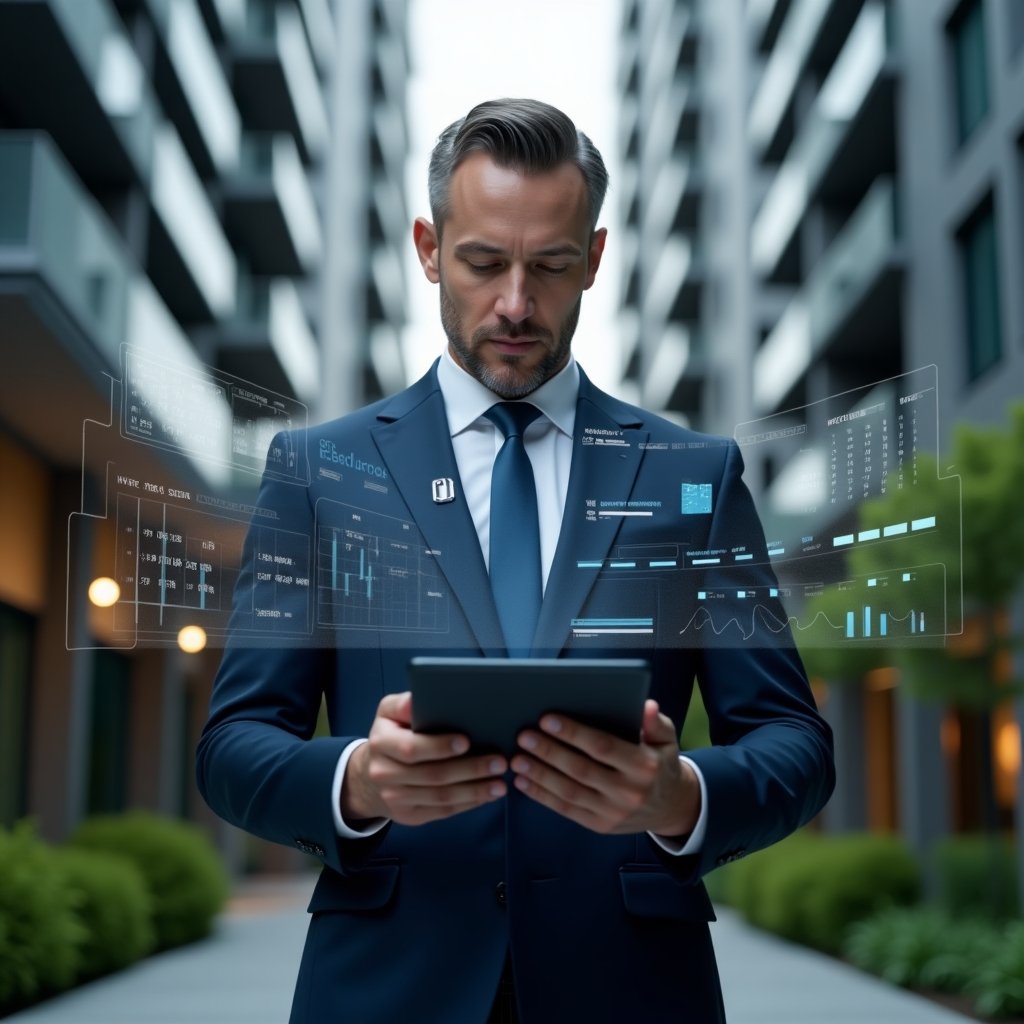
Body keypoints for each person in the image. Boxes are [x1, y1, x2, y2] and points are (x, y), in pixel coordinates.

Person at [197, 97, 834, 1023]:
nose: (516, 305)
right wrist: (357, 782)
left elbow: (794, 742)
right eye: (484, 263)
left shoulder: (694, 476)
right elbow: (233, 744)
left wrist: (681, 796)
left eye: (553, 266)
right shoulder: (317, 473)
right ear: (428, 249)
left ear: (597, 260)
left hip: (631, 991)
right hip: (388, 987)